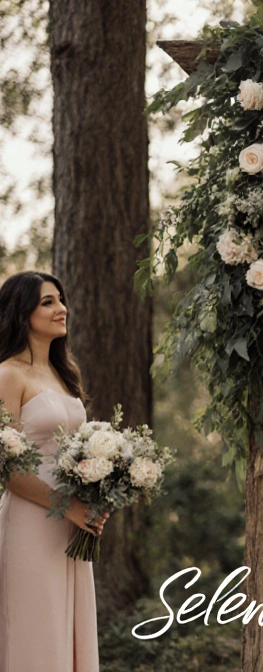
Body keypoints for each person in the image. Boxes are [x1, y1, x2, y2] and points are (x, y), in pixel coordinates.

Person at [0, 270, 108, 672]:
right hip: (31, 521)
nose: (62, 309)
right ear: (21, 311)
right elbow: (6, 466)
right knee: (35, 631)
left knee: (70, 631)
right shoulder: (7, 374)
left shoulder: (65, 376)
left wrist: (98, 496)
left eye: (60, 300)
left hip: (73, 524)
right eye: (48, 302)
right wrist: (68, 506)